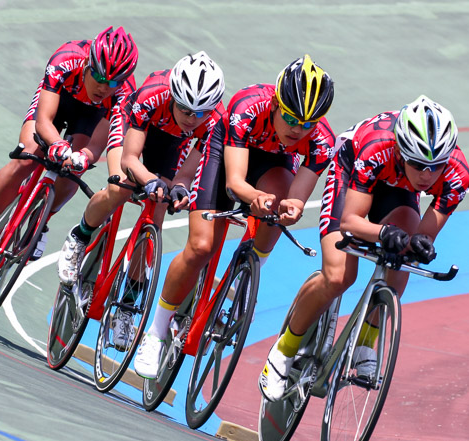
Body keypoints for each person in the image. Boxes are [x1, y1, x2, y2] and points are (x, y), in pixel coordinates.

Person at [133, 54, 336, 379]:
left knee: (279, 208)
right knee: (201, 247)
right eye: (292, 119)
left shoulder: (322, 141)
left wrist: (291, 208)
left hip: (274, 166)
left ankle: (248, 278)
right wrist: (255, 197)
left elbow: (298, 199)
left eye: (309, 123)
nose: (299, 129)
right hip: (226, 160)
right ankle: (155, 332)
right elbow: (235, 182)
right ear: (275, 105)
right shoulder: (247, 107)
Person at [258, 95, 469, 401]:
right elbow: (350, 222)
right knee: (339, 276)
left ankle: (364, 343)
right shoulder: (376, 149)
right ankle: (282, 353)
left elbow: (422, 237)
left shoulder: (456, 176)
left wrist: (417, 244)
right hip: (354, 170)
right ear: (401, 151)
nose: (427, 175)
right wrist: (384, 232)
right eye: (418, 165)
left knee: (402, 260)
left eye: (435, 167)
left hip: (397, 188)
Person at [56, 51, 226, 350]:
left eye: (201, 113)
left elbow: (186, 176)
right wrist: (149, 180)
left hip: (172, 143)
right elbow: (131, 157)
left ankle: (126, 308)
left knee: (156, 213)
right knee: (121, 186)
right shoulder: (152, 95)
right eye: (186, 109)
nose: (192, 118)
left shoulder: (214, 122)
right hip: (134, 126)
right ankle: (79, 236)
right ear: (174, 96)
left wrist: (179, 190)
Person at [0, 26, 138, 273]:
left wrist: (83, 156)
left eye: (113, 82)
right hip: (59, 101)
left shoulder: (125, 93)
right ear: (88, 65)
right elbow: (43, 121)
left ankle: (41, 223)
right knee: (27, 157)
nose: (105, 87)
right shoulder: (67, 57)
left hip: (91, 117)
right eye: (101, 78)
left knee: (73, 168)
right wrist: (57, 144)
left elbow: (98, 143)